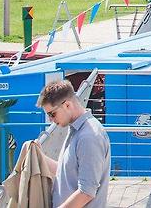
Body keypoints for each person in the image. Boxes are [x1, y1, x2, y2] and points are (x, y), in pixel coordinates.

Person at [36, 79, 111, 208]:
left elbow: (86, 193)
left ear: (67, 105)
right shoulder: (77, 130)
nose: (50, 120)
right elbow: (65, 173)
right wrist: (36, 154)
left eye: (52, 114)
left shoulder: (89, 137)